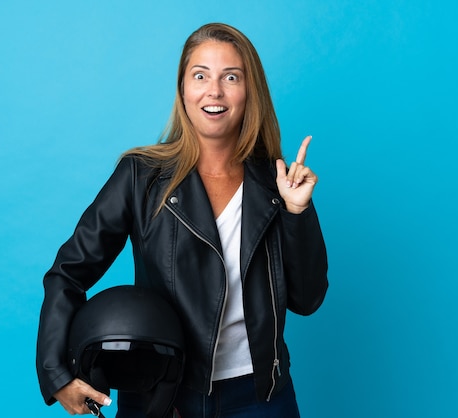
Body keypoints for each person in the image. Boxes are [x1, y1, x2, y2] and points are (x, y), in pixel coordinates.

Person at [36, 22, 328, 417]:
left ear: (248, 91)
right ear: (183, 89)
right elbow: (67, 272)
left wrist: (298, 212)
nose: (214, 91)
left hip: (260, 396)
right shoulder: (140, 176)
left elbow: (308, 300)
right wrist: (57, 373)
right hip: (163, 395)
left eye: (231, 77)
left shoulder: (276, 183)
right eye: (200, 75)